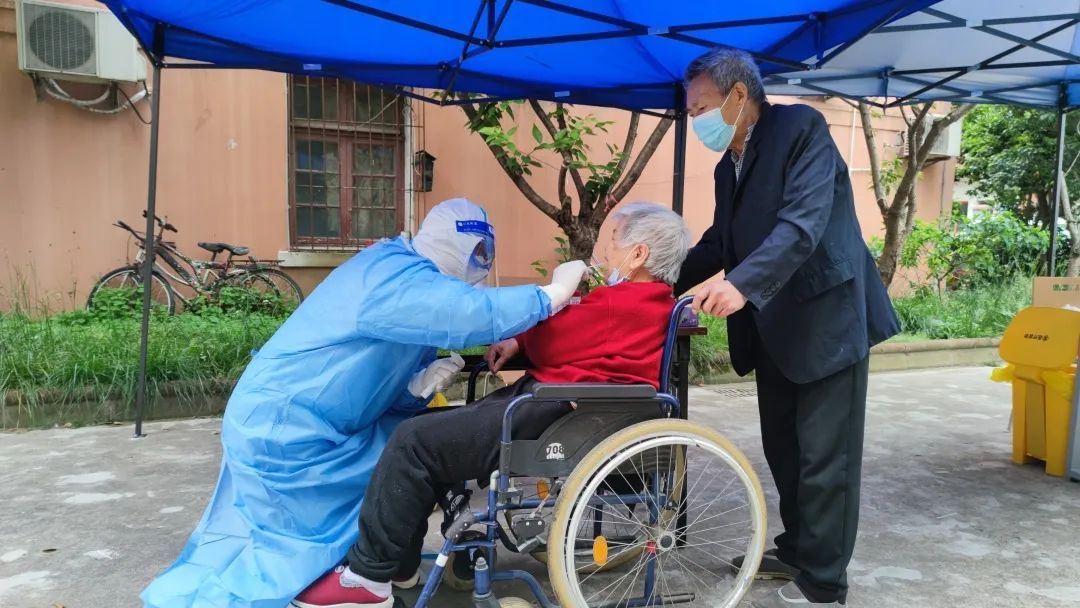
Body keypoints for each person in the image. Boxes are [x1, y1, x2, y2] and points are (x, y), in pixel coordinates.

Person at [141, 198, 589, 608]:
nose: (481, 266)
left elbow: (374, 373)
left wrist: (411, 390)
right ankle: (367, 579)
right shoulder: (393, 278)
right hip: (285, 425)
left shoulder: (408, 274)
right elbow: (467, 313)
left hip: (324, 419)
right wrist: (548, 296)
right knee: (286, 538)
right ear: (454, 245)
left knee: (411, 446)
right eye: (476, 254)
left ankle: (390, 566)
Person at [291, 202, 691, 608]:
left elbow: (551, 342)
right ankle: (399, 564)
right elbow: (568, 338)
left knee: (414, 441)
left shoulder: (621, 303)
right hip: (561, 403)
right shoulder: (644, 303)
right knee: (427, 434)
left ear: (638, 254)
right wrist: (529, 335)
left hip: (561, 410)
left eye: (612, 242)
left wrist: (537, 323)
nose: (605, 252)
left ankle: (369, 578)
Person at [676, 49, 901, 608]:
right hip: (773, 327)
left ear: (738, 96)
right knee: (785, 451)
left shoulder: (801, 129)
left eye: (700, 108)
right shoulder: (727, 166)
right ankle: (799, 549)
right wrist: (656, 281)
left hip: (826, 323)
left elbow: (801, 224)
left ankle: (824, 582)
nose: (695, 120)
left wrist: (740, 285)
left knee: (826, 460)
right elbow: (719, 241)